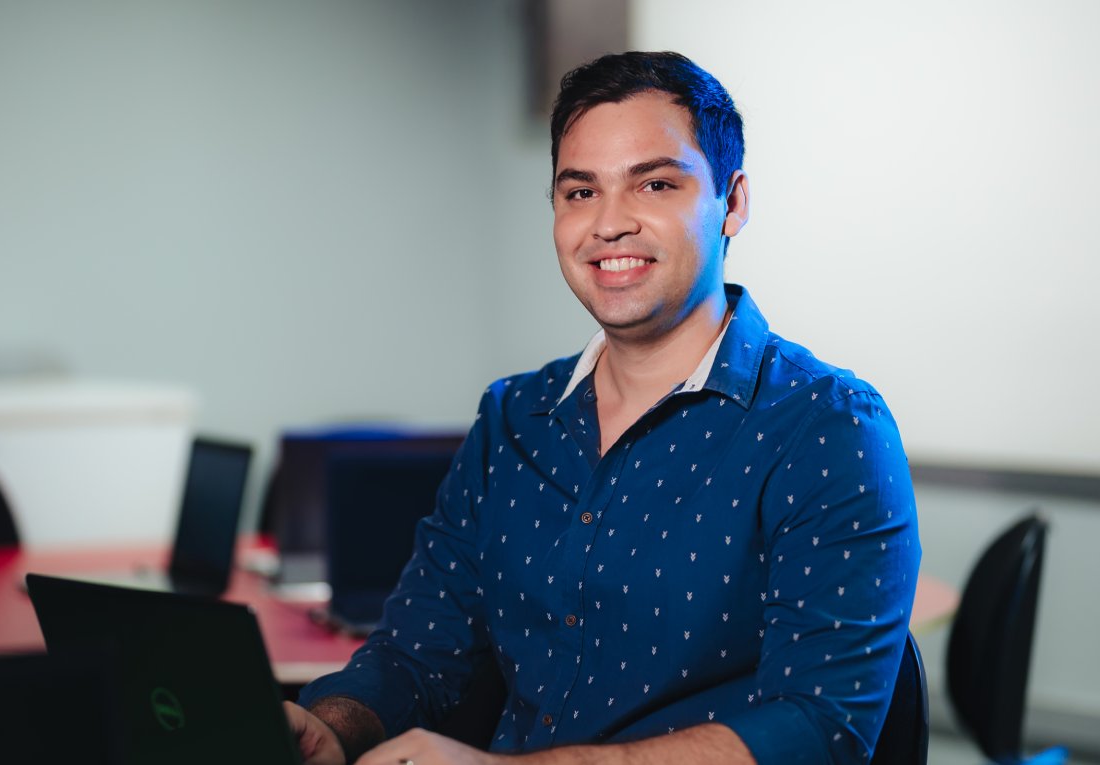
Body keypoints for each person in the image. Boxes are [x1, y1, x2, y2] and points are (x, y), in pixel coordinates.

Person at [284, 51, 920, 765]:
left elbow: (818, 730)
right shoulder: (512, 419)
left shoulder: (828, 427)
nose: (608, 224)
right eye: (580, 193)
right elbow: (418, 650)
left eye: (654, 183)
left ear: (732, 202)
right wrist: (334, 726)